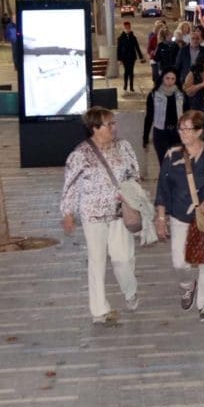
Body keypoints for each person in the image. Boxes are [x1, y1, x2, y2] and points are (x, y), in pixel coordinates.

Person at [61, 107, 141, 325]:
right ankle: (99, 310)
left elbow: (134, 174)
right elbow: (70, 186)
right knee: (96, 261)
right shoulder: (80, 155)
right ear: (95, 128)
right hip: (92, 214)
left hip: (119, 212)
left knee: (123, 259)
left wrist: (131, 194)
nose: (114, 128)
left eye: (114, 123)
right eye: (109, 124)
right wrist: (68, 213)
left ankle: (130, 291)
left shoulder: (124, 147)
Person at [154, 110, 204, 323]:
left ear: (199, 131)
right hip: (180, 215)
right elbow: (162, 189)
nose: (183, 133)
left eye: (187, 129)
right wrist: (161, 218)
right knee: (179, 262)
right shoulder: (172, 156)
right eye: (181, 128)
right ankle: (188, 286)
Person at [143, 68, 190, 163]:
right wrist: (145, 137)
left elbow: (187, 115)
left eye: (173, 79)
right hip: (161, 133)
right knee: (164, 162)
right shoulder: (154, 95)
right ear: (162, 78)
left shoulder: (181, 95)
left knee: (177, 162)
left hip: (178, 133)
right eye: (167, 78)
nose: (170, 81)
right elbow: (149, 117)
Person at [116, 21, 146, 92]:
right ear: (124, 28)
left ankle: (131, 86)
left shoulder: (133, 37)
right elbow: (118, 49)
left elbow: (137, 47)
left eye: (128, 27)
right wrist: (119, 59)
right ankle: (125, 85)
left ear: (130, 28)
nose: (127, 29)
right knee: (126, 71)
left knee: (131, 71)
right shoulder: (120, 38)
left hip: (132, 57)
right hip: (124, 58)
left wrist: (141, 57)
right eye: (126, 28)